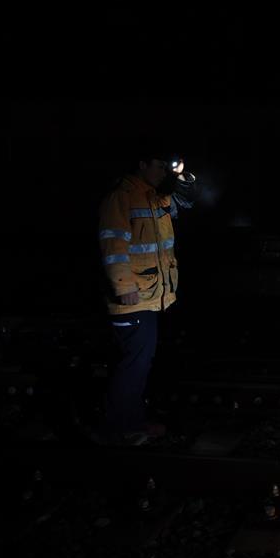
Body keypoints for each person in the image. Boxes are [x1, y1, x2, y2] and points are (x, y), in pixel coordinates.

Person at [96, 150, 188, 444]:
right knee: (134, 363)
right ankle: (119, 428)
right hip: (132, 299)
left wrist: (181, 176)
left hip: (150, 296)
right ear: (142, 165)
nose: (164, 171)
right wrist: (124, 288)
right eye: (159, 165)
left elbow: (187, 200)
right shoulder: (121, 197)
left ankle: (134, 421)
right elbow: (113, 245)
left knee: (141, 362)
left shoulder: (154, 195)